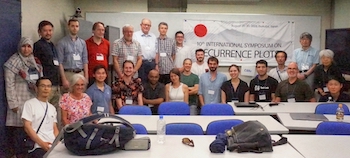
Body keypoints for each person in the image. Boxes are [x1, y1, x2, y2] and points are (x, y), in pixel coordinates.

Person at [4, 37, 43, 158]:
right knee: (19, 129)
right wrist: (13, 103)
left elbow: (40, 80)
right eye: (23, 46)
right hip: (19, 98)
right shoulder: (12, 62)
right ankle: (18, 154)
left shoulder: (35, 61)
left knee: (31, 127)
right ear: (19, 47)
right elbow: (9, 84)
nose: (26, 49)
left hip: (32, 97)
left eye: (29, 46)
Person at [33, 20, 62, 128]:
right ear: (39, 32)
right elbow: (36, 66)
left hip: (56, 84)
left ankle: (54, 137)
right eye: (45, 31)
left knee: (54, 114)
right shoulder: (38, 46)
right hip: (46, 86)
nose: (48, 33)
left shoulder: (52, 45)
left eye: (50, 30)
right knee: (43, 112)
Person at [22, 77, 59, 158]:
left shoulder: (52, 108)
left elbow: (54, 128)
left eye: (48, 86)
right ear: (37, 88)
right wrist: (42, 144)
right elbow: (27, 127)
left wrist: (57, 142)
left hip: (52, 145)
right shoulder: (29, 104)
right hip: (37, 146)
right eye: (43, 86)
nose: (46, 89)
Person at [57, 19, 88, 93]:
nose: (75, 28)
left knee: (80, 96)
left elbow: (85, 60)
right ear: (68, 27)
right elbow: (60, 62)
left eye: (76, 26)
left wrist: (86, 77)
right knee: (68, 97)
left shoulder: (82, 43)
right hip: (68, 73)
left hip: (80, 73)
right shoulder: (62, 43)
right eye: (72, 26)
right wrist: (64, 79)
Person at [86, 22, 110, 86]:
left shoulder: (107, 43)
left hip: (103, 76)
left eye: (103, 30)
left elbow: (107, 58)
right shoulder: (86, 43)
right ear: (93, 31)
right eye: (99, 30)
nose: (101, 32)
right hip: (91, 75)